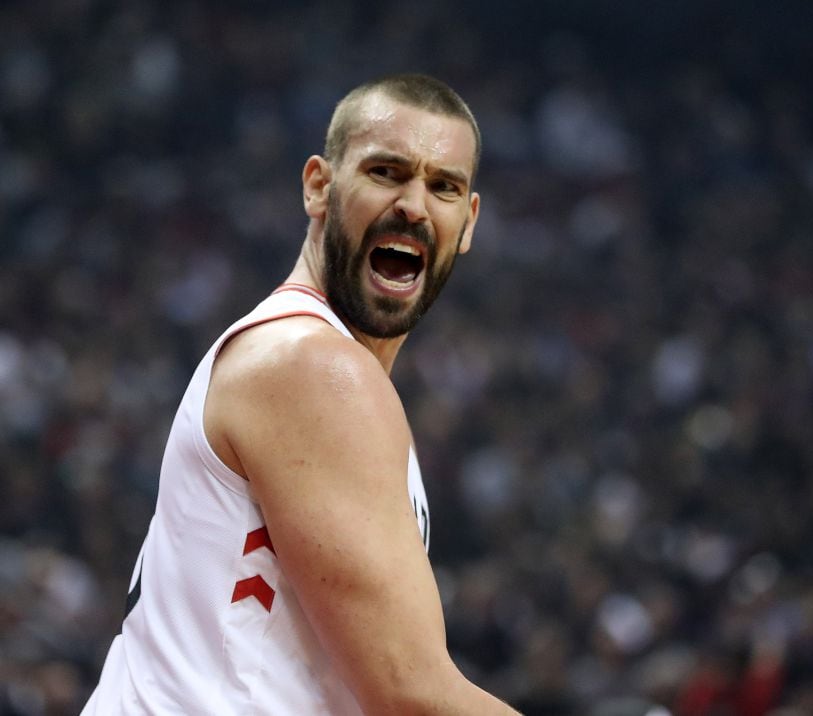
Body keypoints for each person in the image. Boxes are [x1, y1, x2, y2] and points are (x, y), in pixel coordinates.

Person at [82, 73, 521, 714]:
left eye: (443, 186)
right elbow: (410, 691)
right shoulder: (313, 369)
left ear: (469, 221)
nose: (415, 206)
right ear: (319, 185)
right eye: (386, 172)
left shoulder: (316, 366)